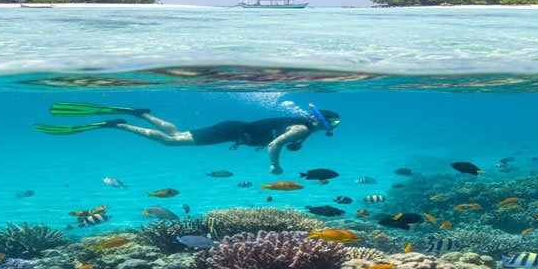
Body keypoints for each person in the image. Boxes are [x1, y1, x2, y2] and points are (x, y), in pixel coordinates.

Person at [34, 102, 339, 174]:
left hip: (233, 127)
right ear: (323, 120)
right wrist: (274, 166)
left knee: (176, 133)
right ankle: (118, 125)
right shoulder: (301, 127)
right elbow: (274, 144)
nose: (334, 127)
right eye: (334, 122)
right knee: (171, 141)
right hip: (233, 131)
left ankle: (141, 114)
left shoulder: (301, 124)